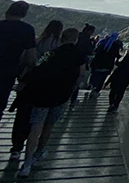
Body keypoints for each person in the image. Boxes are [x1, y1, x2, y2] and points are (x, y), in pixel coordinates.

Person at [17, 27, 84, 178]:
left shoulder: (52, 53)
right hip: (62, 95)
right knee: (50, 124)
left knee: (36, 126)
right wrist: (72, 90)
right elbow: (81, 75)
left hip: (42, 93)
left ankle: (26, 163)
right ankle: (39, 152)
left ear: (62, 38)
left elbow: (38, 67)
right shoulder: (79, 55)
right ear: (75, 39)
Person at [9, 20, 63, 158]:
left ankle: (16, 147)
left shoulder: (37, 41)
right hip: (46, 88)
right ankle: (33, 149)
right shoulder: (59, 47)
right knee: (38, 120)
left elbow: (24, 60)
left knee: (21, 116)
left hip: (27, 84)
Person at [0, 1, 36, 138]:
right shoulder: (27, 30)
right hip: (6, 76)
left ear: (8, 11)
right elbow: (31, 59)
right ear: (24, 14)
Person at [71, 24, 95, 103]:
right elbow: (89, 51)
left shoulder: (78, 36)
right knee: (78, 79)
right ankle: (73, 98)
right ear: (88, 31)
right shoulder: (87, 39)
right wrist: (93, 43)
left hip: (72, 58)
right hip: (81, 60)